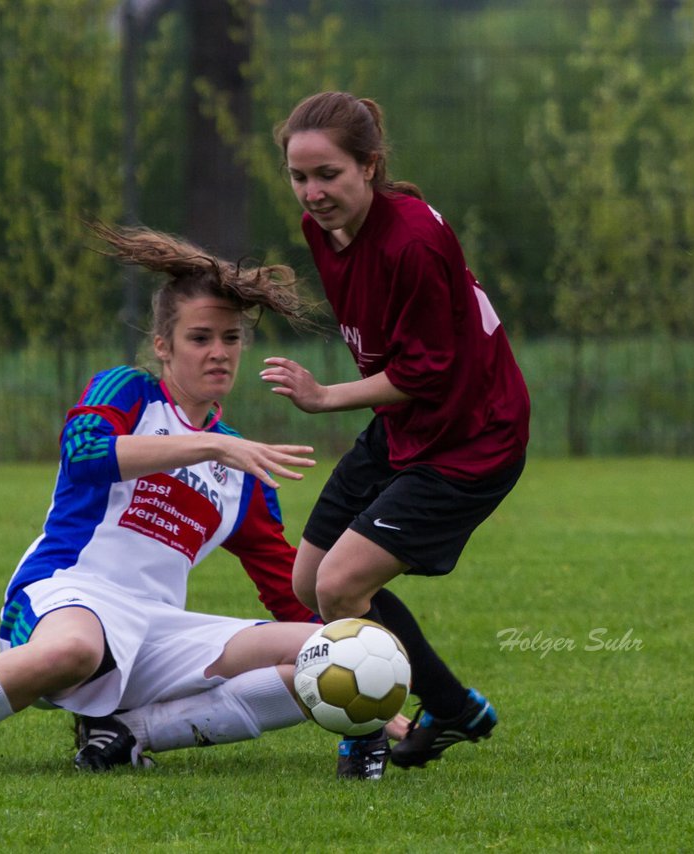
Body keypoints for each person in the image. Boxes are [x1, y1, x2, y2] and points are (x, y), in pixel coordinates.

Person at [0, 225, 325, 776]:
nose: (219, 352)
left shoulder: (244, 471)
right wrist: (210, 443)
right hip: (67, 597)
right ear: (163, 346)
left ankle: (128, 732)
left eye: (232, 337)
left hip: (155, 631)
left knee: (323, 651)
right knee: (72, 651)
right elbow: (84, 453)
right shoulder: (127, 390)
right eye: (200, 338)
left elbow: (286, 592)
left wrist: (359, 678)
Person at [261, 91, 531, 778]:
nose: (314, 192)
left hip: (473, 437)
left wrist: (323, 398)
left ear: (370, 168)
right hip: (407, 427)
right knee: (310, 579)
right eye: (300, 176)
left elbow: (424, 375)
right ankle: (451, 707)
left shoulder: (412, 240)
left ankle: (367, 731)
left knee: (342, 586)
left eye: (329, 175)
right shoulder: (322, 230)